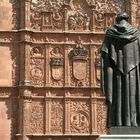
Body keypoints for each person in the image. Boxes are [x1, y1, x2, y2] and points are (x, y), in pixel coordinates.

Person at [101, 12, 140, 127]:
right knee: (133, 94)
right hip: (133, 72)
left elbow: (106, 55)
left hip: (116, 73)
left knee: (117, 95)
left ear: (117, 20)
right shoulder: (137, 34)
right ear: (128, 20)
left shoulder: (110, 33)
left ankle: (117, 122)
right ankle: (133, 122)